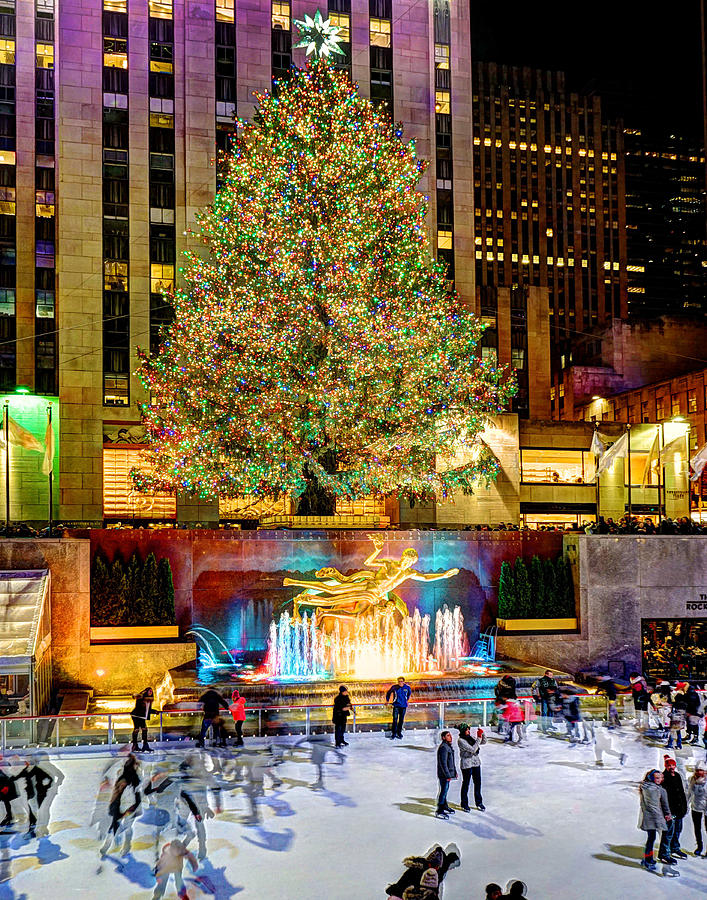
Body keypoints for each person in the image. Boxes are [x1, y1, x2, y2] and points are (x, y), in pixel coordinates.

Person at [638, 769, 673, 872]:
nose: (660, 780)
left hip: (648, 817)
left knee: (651, 839)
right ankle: (651, 859)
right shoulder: (660, 790)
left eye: (661, 778)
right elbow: (665, 805)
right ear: (652, 778)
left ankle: (648, 858)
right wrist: (667, 815)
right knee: (658, 837)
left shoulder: (644, 787)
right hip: (656, 817)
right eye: (657, 778)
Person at [661, 756, 687, 861]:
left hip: (679, 810)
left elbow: (681, 792)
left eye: (673, 765)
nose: (671, 767)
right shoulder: (663, 777)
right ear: (666, 766)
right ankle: (664, 853)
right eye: (669, 765)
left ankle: (675, 848)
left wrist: (684, 807)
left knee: (677, 830)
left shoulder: (677, 775)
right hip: (670, 811)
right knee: (668, 833)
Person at [457, 723, 485, 811]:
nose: (468, 731)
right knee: (466, 784)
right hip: (466, 765)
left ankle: (479, 802)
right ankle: (464, 804)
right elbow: (473, 749)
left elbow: (483, 742)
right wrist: (479, 738)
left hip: (476, 763)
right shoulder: (461, 740)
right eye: (467, 730)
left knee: (478, 783)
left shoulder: (471, 738)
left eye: (469, 729)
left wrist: (482, 734)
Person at [435, 731, 457, 819]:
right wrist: (448, 775)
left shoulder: (448, 746)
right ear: (443, 737)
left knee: (445, 790)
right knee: (443, 791)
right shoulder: (444, 747)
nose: (450, 737)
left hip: (447, 773)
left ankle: (444, 806)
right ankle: (439, 810)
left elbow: (451, 761)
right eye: (448, 735)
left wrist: (454, 772)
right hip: (444, 775)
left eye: (450, 735)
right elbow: (443, 763)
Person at [687, 763, 707, 855]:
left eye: (701, 770)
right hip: (696, 806)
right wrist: (687, 804)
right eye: (698, 770)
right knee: (697, 828)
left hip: (706, 807)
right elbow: (689, 792)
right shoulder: (692, 779)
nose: (699, 772)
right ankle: (699, 846)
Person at [130, 686, 154, 753]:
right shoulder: (141, 698)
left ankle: (140, 745)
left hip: (141, 717)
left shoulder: (149, 700)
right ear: (146, 692)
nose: (151, 692)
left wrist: (155, 711)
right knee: (140, 729)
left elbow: (148, 710)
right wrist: (140, 694)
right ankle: (138, 745)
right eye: (149, 691)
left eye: (151, 691)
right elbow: (134, 696)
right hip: (137, 716)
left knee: (141, 729)